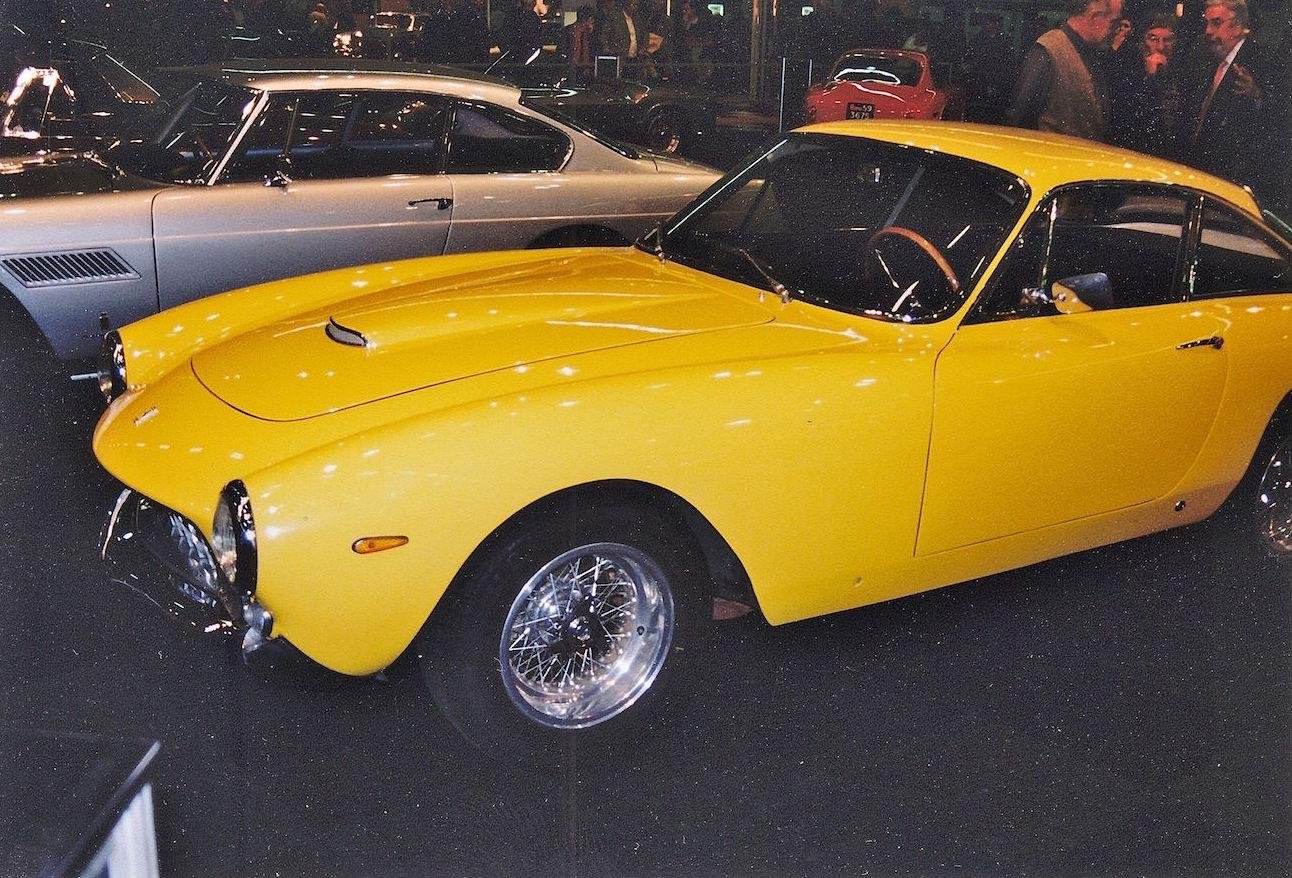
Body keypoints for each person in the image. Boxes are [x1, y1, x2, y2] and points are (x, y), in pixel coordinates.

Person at [1177, 0, 1287, 204]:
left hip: (1237, 185)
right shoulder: (1210, 58)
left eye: (1216, 23)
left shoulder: (1261, 59)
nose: (1208, 31)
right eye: (1207, 23)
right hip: (1207, 177)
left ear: (1237, 26)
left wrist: (1257, 95)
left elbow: (1279, 117)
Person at [1007, 0, 1122, 141]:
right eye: (1114, 23)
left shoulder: (1091, 51)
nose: (1117, 30)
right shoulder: (1049, 49)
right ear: (1094, 16)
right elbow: (1018, 120)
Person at [1108, 13, 1181, 157]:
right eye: (1153, 39)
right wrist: (1150, 78)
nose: (1160, 46)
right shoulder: (1128, 71)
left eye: (1167, 40)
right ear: (1142, 43)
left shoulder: (1183, 73)